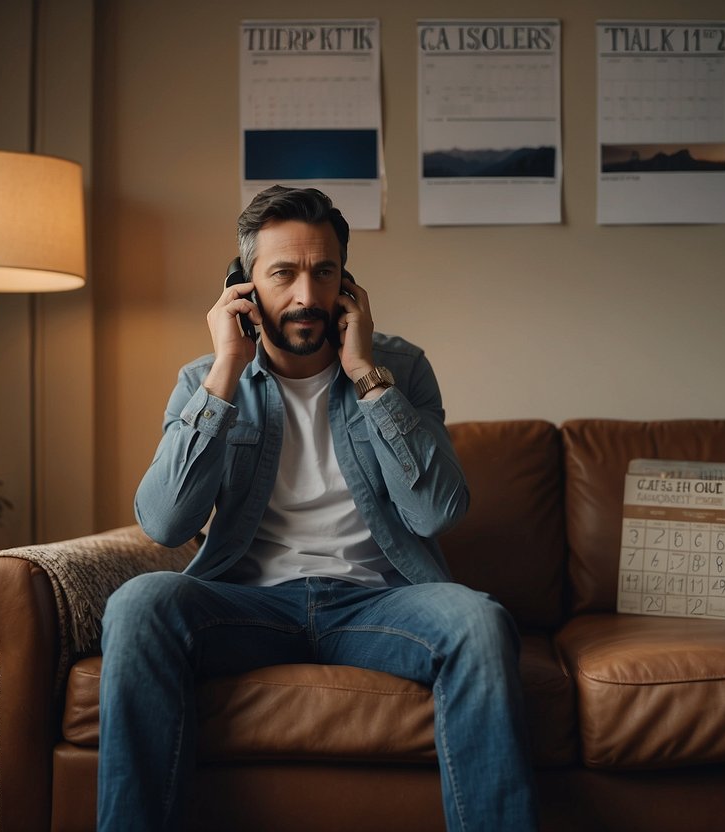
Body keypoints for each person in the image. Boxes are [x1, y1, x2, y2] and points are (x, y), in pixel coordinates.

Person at [98, 185, 537, 831]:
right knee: (138, 603)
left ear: (346, 283)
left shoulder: (400, 368)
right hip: (247, 602)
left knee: (477, 621)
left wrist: (366, 375)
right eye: (283, 273)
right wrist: (226, 367)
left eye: (323, 272)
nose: (306, 295)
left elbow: (435, 514)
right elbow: (165, 523)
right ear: (243, 287)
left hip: (379, 602)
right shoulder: (203, 379)